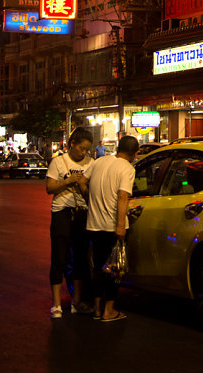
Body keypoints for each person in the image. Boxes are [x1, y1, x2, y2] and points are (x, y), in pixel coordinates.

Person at [87, 134, 139, 322]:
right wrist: (120, 226)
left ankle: (97, 308)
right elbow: (123, 196)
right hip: (112, 226)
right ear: (135, 153)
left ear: (118, 148)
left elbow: (83, 182)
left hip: (94, 223)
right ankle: (109, 310)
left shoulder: (99, 162)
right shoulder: (127, 168)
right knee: (114, 269)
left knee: (98, 267)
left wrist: (92, 201)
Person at [46, 126, 95, 319]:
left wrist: (82, 184)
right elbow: (49, 188)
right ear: (72, 144)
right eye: (81, 148)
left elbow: (90, 193)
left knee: (81, 259)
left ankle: (77, 301)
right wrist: (68, 181)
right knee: (59, 257)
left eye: (87, 149)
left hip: (82, 213)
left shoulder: (91, 163)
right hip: (62, 212)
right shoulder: (58, 162)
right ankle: (56, 304)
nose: (84, 153)